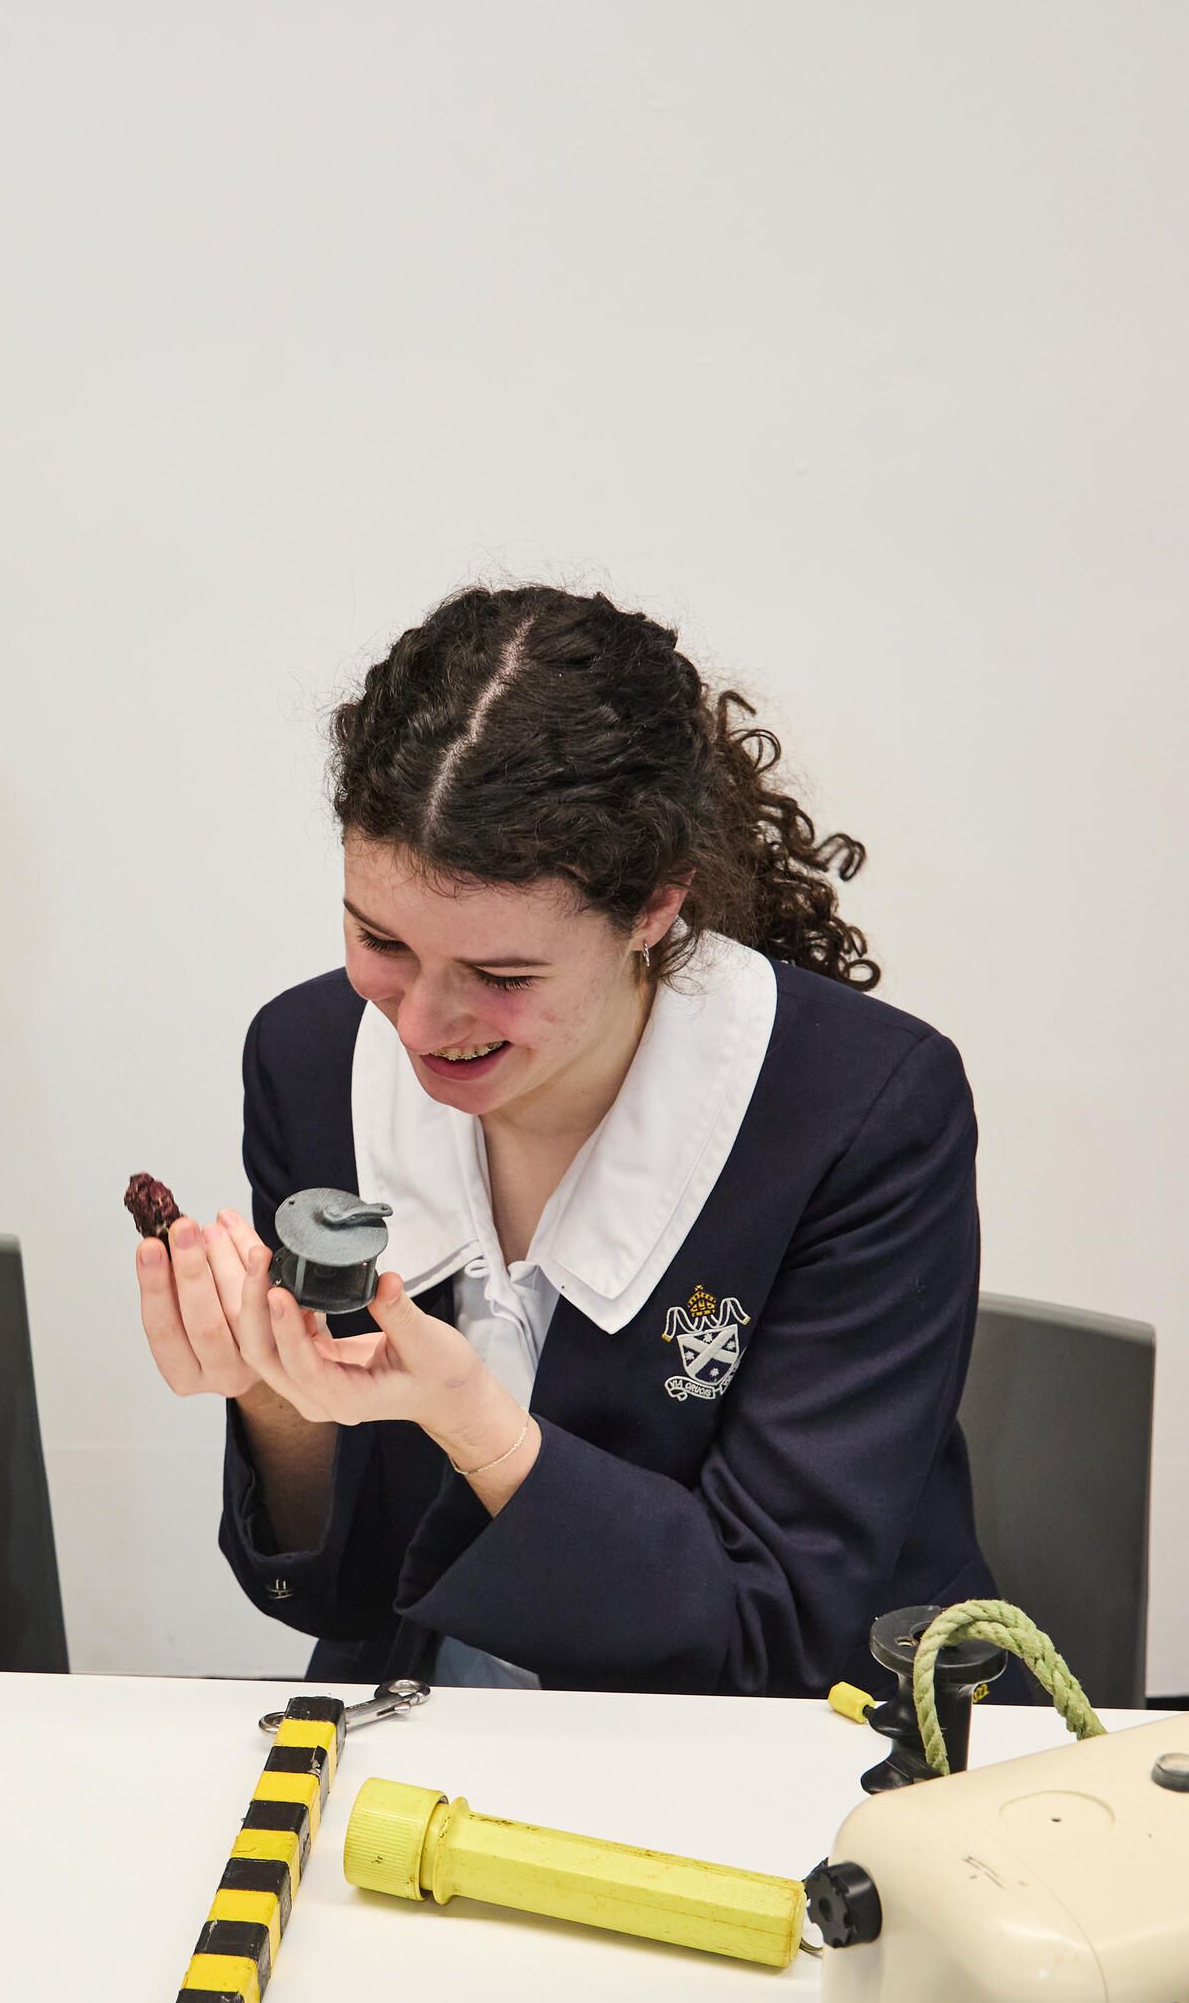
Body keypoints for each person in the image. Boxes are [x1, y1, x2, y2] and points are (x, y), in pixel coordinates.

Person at [135, 582, 996, 1697]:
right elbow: (343, 1597)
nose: (423, 1025)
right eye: (377, 939)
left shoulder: (862, 1110)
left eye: (500, 976)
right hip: (438, 1731)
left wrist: (467, 1416)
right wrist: (269, 1390)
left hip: (788, 1745)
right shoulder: (307, 1060)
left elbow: (766, 1633)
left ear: (651, 910)